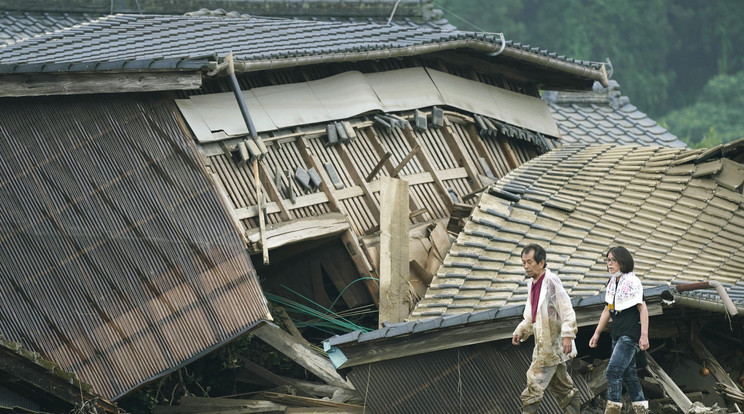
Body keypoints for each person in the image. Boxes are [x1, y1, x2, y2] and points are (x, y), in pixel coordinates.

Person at [512, 243, 581, 414]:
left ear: (541, 262)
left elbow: (566, 309)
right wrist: (521, 330)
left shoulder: (551, 281)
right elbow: (531, 314)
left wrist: (567, 335)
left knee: (533, 383)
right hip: (545, 345)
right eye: (524, 262)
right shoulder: (532, 284)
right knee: (563, 386)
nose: (526, 266)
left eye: (530, 262)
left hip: (552, 343)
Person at [589, 246, 649, 414]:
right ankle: (642, 410)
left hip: (630, 334)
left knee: (613, 371)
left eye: (613, 260)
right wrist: (597, 333)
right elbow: (607, 310)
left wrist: (644, 335)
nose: (610, 263)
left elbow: (643, 309)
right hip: (617, 333)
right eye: (608, 260)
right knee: (629, 376)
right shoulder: (612, 283)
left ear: (623, 261)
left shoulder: (632, 281)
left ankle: (613, 409)